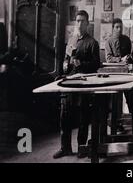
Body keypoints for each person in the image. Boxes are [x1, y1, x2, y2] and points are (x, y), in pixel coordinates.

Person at [54, 10, 100, 159]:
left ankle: (82, 148)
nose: (79, 24)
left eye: (82, 21)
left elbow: (96, 64)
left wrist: (82, 64)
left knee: (83, 117)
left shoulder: (92, 42)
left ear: (87, 23)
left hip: (83, 84)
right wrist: (65, 64)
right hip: (69, 83)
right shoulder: (72, 40)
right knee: (64, 116)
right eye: (77, 21)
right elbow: (66, 60)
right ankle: (65, 147)